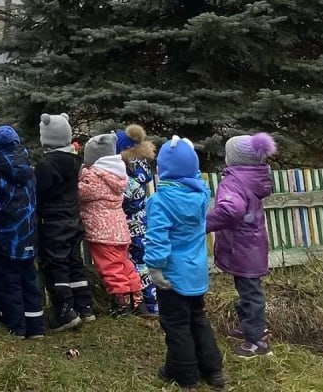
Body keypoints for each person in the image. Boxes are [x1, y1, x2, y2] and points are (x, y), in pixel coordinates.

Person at [145, 136, 225, 390]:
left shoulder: (160, 201)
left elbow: (157, 238)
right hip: (197, 272)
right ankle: (214, 371)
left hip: (172, 276)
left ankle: (185, 375)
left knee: (176, 325)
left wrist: (155, 268)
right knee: (198, 319)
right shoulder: (200, 195)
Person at [207, 132, 277, 358]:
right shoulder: (253, 178)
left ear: (233, 158)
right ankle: (248, 325)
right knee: (248, 288)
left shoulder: (234, 182)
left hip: (242, 246)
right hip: (251, 243)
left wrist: (204, 224)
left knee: (250, 293)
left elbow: (231, 210)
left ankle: (258, 341)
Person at [34, 112, 93, 331]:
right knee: (74, 262)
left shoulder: (45, 165)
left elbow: (40, 192)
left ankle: (64, 311)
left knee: (56, 266)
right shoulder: (76, 161)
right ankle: (85, 306)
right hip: (73, 218)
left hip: (53, 222)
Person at [0, 125, 45, 339]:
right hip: (29, 234)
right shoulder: (29, 169)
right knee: (30, 280)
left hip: (6, 235)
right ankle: (36, 325)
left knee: (9, 281)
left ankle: (16, 326)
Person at [79, 133, 145, 316]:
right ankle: (137, 300)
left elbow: (80, 193)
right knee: (125, 264)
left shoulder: (94, 177)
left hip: (103, 232)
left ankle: (121, 303)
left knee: (111, 268)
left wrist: (80, 175)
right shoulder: (117, 174)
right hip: (119, 230)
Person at [116, 124, 159, 316]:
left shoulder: (127, 176)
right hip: (142, 222)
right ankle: (152, 302)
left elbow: (125, 199)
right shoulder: (141, 167)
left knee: (135, 264)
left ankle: (144, 303)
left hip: (130, 224)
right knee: (143, 263)